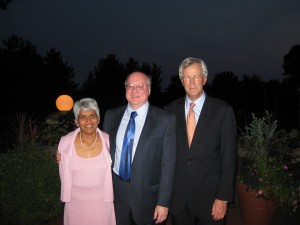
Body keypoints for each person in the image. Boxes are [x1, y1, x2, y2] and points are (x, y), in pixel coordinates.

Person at [166, 57, 237, 225]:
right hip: (178, 201)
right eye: (187, 77)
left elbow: (229, 157)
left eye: (196, 76)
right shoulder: (170, 111)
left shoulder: (223, 111)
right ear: (181, 81)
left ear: (204, 79)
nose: (191, 82)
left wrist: (223, 197)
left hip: (211, 200)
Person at [103, 71, 176, 225]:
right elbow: (101, 148)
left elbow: (168, 164)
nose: (134, 90)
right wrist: (68, 152)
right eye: (130, 86)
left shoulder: (165, 119)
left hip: (148, 198)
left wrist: (164, 202)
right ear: (125, 90)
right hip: (117, 196)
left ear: (149, 90)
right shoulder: (111, 116)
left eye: (140, 86)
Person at [58, 98, 116, 225]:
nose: (88, 121)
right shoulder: (65, 142)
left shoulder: (110, 141)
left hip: (103, 203)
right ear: (76, 121)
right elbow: (63, 167)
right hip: (74, 204)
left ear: (98, 119)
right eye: (83, 117)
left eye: (92, 116)